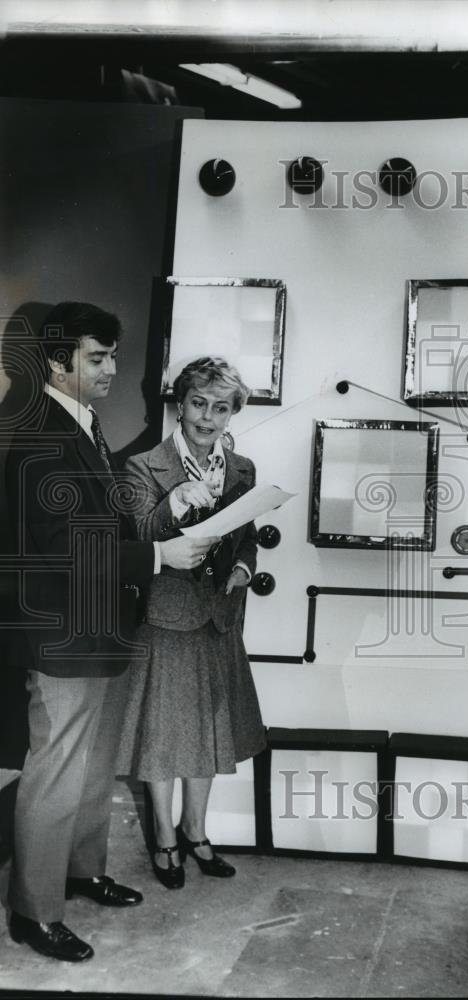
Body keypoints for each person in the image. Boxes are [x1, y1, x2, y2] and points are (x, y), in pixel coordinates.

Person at [4, 302, 217, 962]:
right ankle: (33, 912)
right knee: (57, 769)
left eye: (114, 356)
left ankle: (81, 870)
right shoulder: (36, 431)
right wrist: (156, 556)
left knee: (94, 762)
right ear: (58, 360)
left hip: (96, 626)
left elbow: (104, 518)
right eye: (97, 358)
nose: (112, 370)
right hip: (60, 632)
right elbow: (64, 545)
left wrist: (173, 508)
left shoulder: (83, 423)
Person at [116, 357, 267, 889]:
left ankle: (196, 832)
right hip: (165, 618)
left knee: (209, 733)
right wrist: (175, 502)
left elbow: (246, 534)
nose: (207, 417)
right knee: (163, 737)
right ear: (181, 404)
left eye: (220, 407)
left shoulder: (242, 468)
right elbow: (138, 533)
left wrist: (246, 565)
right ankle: (163, 837)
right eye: (198, 403)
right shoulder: (143, 465)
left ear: (231, 414)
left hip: (219, 619)